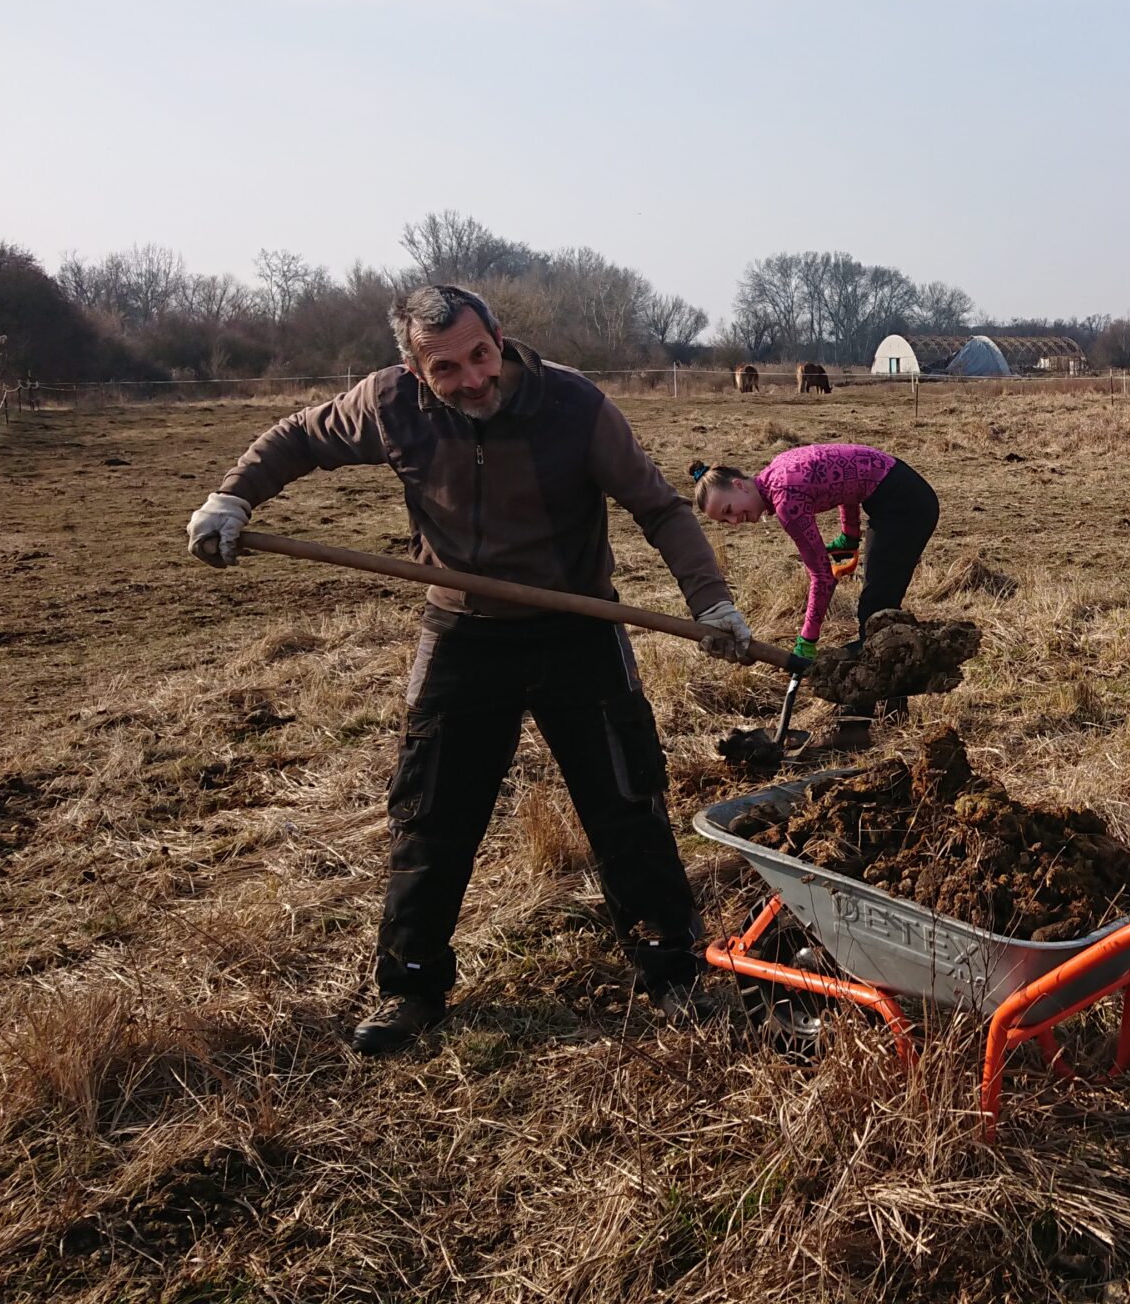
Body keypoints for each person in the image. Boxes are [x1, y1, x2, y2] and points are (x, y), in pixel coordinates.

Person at [182, 284, 756, 1056]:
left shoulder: (574, 407)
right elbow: (297, 438)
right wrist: (232, 498)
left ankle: (672, 970)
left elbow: (659, 508)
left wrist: (711, 602)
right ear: (414, 369)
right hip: (462, 631)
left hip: (579, 626)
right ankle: (411, 985)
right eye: (446, 368)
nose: (472, 379)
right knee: (431, 811)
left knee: (626, 799)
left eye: (480, 355)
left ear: (500, 338)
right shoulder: (389, 405)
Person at [691, 443, 939, 669]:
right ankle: (894, 679)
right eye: (725, 521)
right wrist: (849, 534)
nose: (734, 521)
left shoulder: (786, 501)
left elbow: (823, 577)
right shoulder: (777, 468)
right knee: (877, 608)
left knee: (875, 611)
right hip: (897, 486)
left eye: (729, 510)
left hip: (906, 505)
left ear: (739, 485)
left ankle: (899, 674)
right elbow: (846, 478)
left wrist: (807, 640)